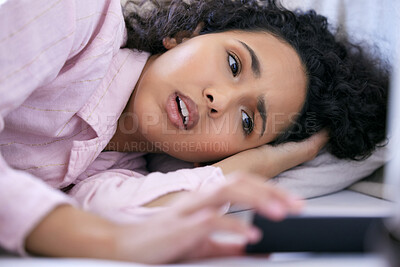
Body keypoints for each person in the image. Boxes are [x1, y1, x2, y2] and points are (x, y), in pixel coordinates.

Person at [0, 0, 387, 264]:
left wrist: (267, 162)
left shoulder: (115, 172)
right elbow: (104, 234)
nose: (219, 99)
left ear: (216, 154)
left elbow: (129, 216)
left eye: (248, 121)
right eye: (234, 64)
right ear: (186, 34)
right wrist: (109, 243)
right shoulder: (76, 17)